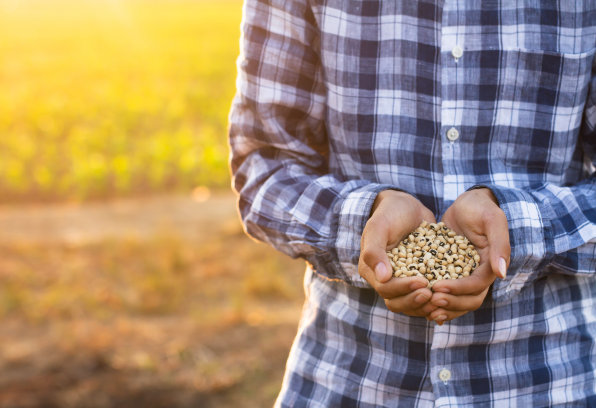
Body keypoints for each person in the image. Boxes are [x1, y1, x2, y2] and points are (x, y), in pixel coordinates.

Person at [229, 0, 596, 405]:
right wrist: (363, 221)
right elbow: (265, 164)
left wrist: (517, 227)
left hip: (551, 382)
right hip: (348, 380)